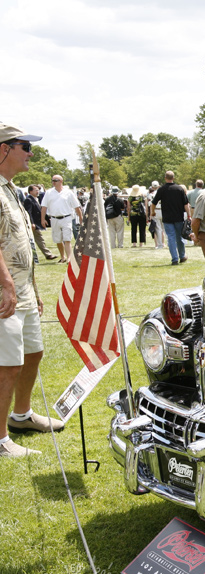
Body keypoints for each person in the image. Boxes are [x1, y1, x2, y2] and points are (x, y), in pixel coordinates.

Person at [0, 123, 65, 457]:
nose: (31, 153)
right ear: (3, 150)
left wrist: (33, 289)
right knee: (7, 364)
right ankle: (0, 441)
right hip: (4, 294)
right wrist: (7, 284)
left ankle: (21, 416)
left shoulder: (10, 188)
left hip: (23, 290)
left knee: (33, 353)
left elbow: (21, 241)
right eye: (24, 146)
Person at [39, 174, 82, 263]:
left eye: (55, 180)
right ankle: (63, 257)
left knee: (67, 239)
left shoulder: (68, 192)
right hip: (54, 218)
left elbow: (76, 206)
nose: (53, 182)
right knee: (58, 239)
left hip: (66, 218)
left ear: (61, 181)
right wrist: (42, 219)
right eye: (52, 180)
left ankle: (69, 257)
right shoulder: (49, 193)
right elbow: (44, 206)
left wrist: (81, 218)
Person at [152, 170, 190, 265]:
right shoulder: (179, 189)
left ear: (165, 178)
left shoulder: (161, 189)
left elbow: (153, 202)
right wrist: (189, 215)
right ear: (173, 178)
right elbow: (186, 204)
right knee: (180, 237)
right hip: (178, 217)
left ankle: (174, 259)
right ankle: (182, 256)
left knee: (171, 238)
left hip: (167, 218)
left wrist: (152, 212)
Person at [22, 185, 57, 260]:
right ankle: (48, 254)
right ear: (30, 191)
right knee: (39, 238)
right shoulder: (28, 200)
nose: (37, 191)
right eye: (35, 190)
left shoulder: (36, 199)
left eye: (38, 190)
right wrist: (31, 223)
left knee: (36, 239)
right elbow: (29, 212)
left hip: (36, 223)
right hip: (33, 223)